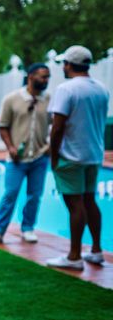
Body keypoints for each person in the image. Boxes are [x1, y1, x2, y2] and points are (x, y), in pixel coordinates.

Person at [46, 45, 109, 270]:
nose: (63, 67)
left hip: (70, 155)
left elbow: (57, 127)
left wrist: (53, 156)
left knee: (75, 205)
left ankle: (74, 256)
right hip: (93, 155)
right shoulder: (101, 89)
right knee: (90, 201)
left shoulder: (67, 89)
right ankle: (96, 250)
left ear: (69, 65)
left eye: (64, 63)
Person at [0, 63, 51, 245]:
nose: (46, 81)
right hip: (16, 158)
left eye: (47, 77)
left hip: (40, 157)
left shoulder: (50, 100)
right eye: (43, 76)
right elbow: (3, 126)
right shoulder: (12, 99)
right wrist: (10, 147)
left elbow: (57, 124)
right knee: (10, 193)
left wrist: (50, 146)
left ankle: (28, 228)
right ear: (30, 76)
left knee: (34, 195)